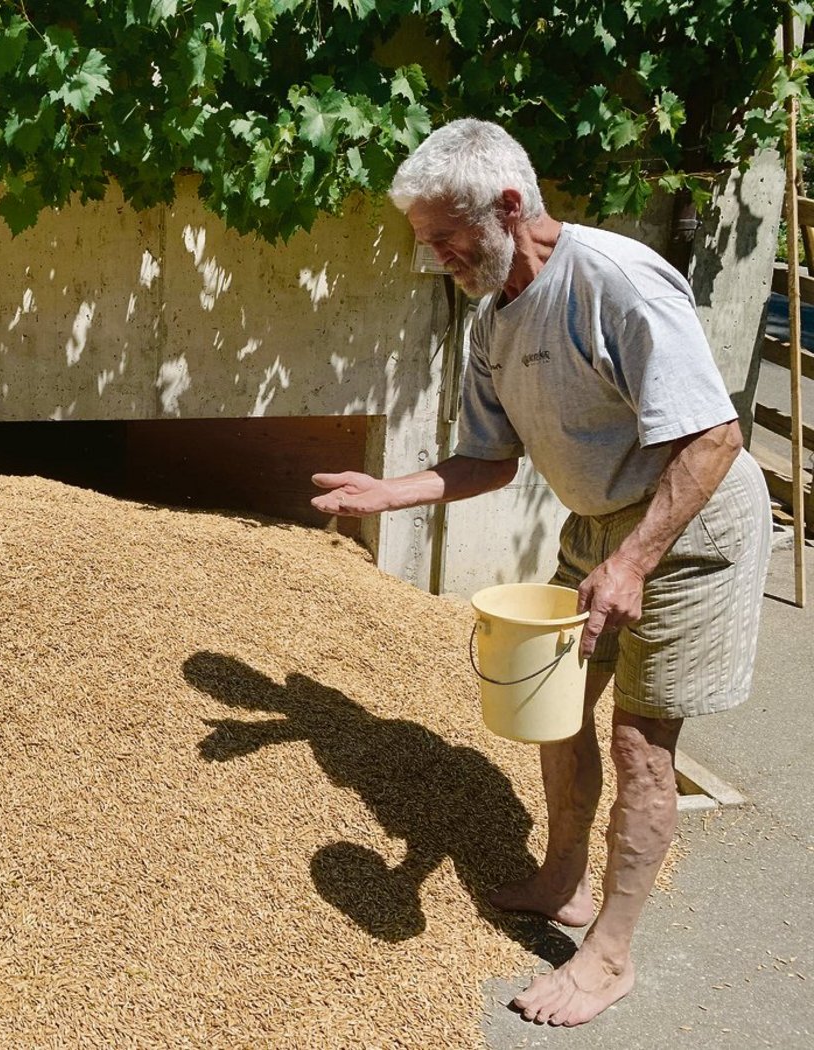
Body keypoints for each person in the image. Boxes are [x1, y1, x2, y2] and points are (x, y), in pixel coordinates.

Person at [310, 118, 772, 1027]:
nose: (438, 257)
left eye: (448, 237)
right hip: (599, 523)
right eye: (427, 243)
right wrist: (388, 491)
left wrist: (636, 561)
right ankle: (563, 880)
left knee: (642, 744)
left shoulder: (615, 281)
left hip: (692, 521)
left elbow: (715, 434)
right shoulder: (495, 318)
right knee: (554, 710)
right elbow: (492, 459)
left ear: (510, 206)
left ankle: (608, 956)